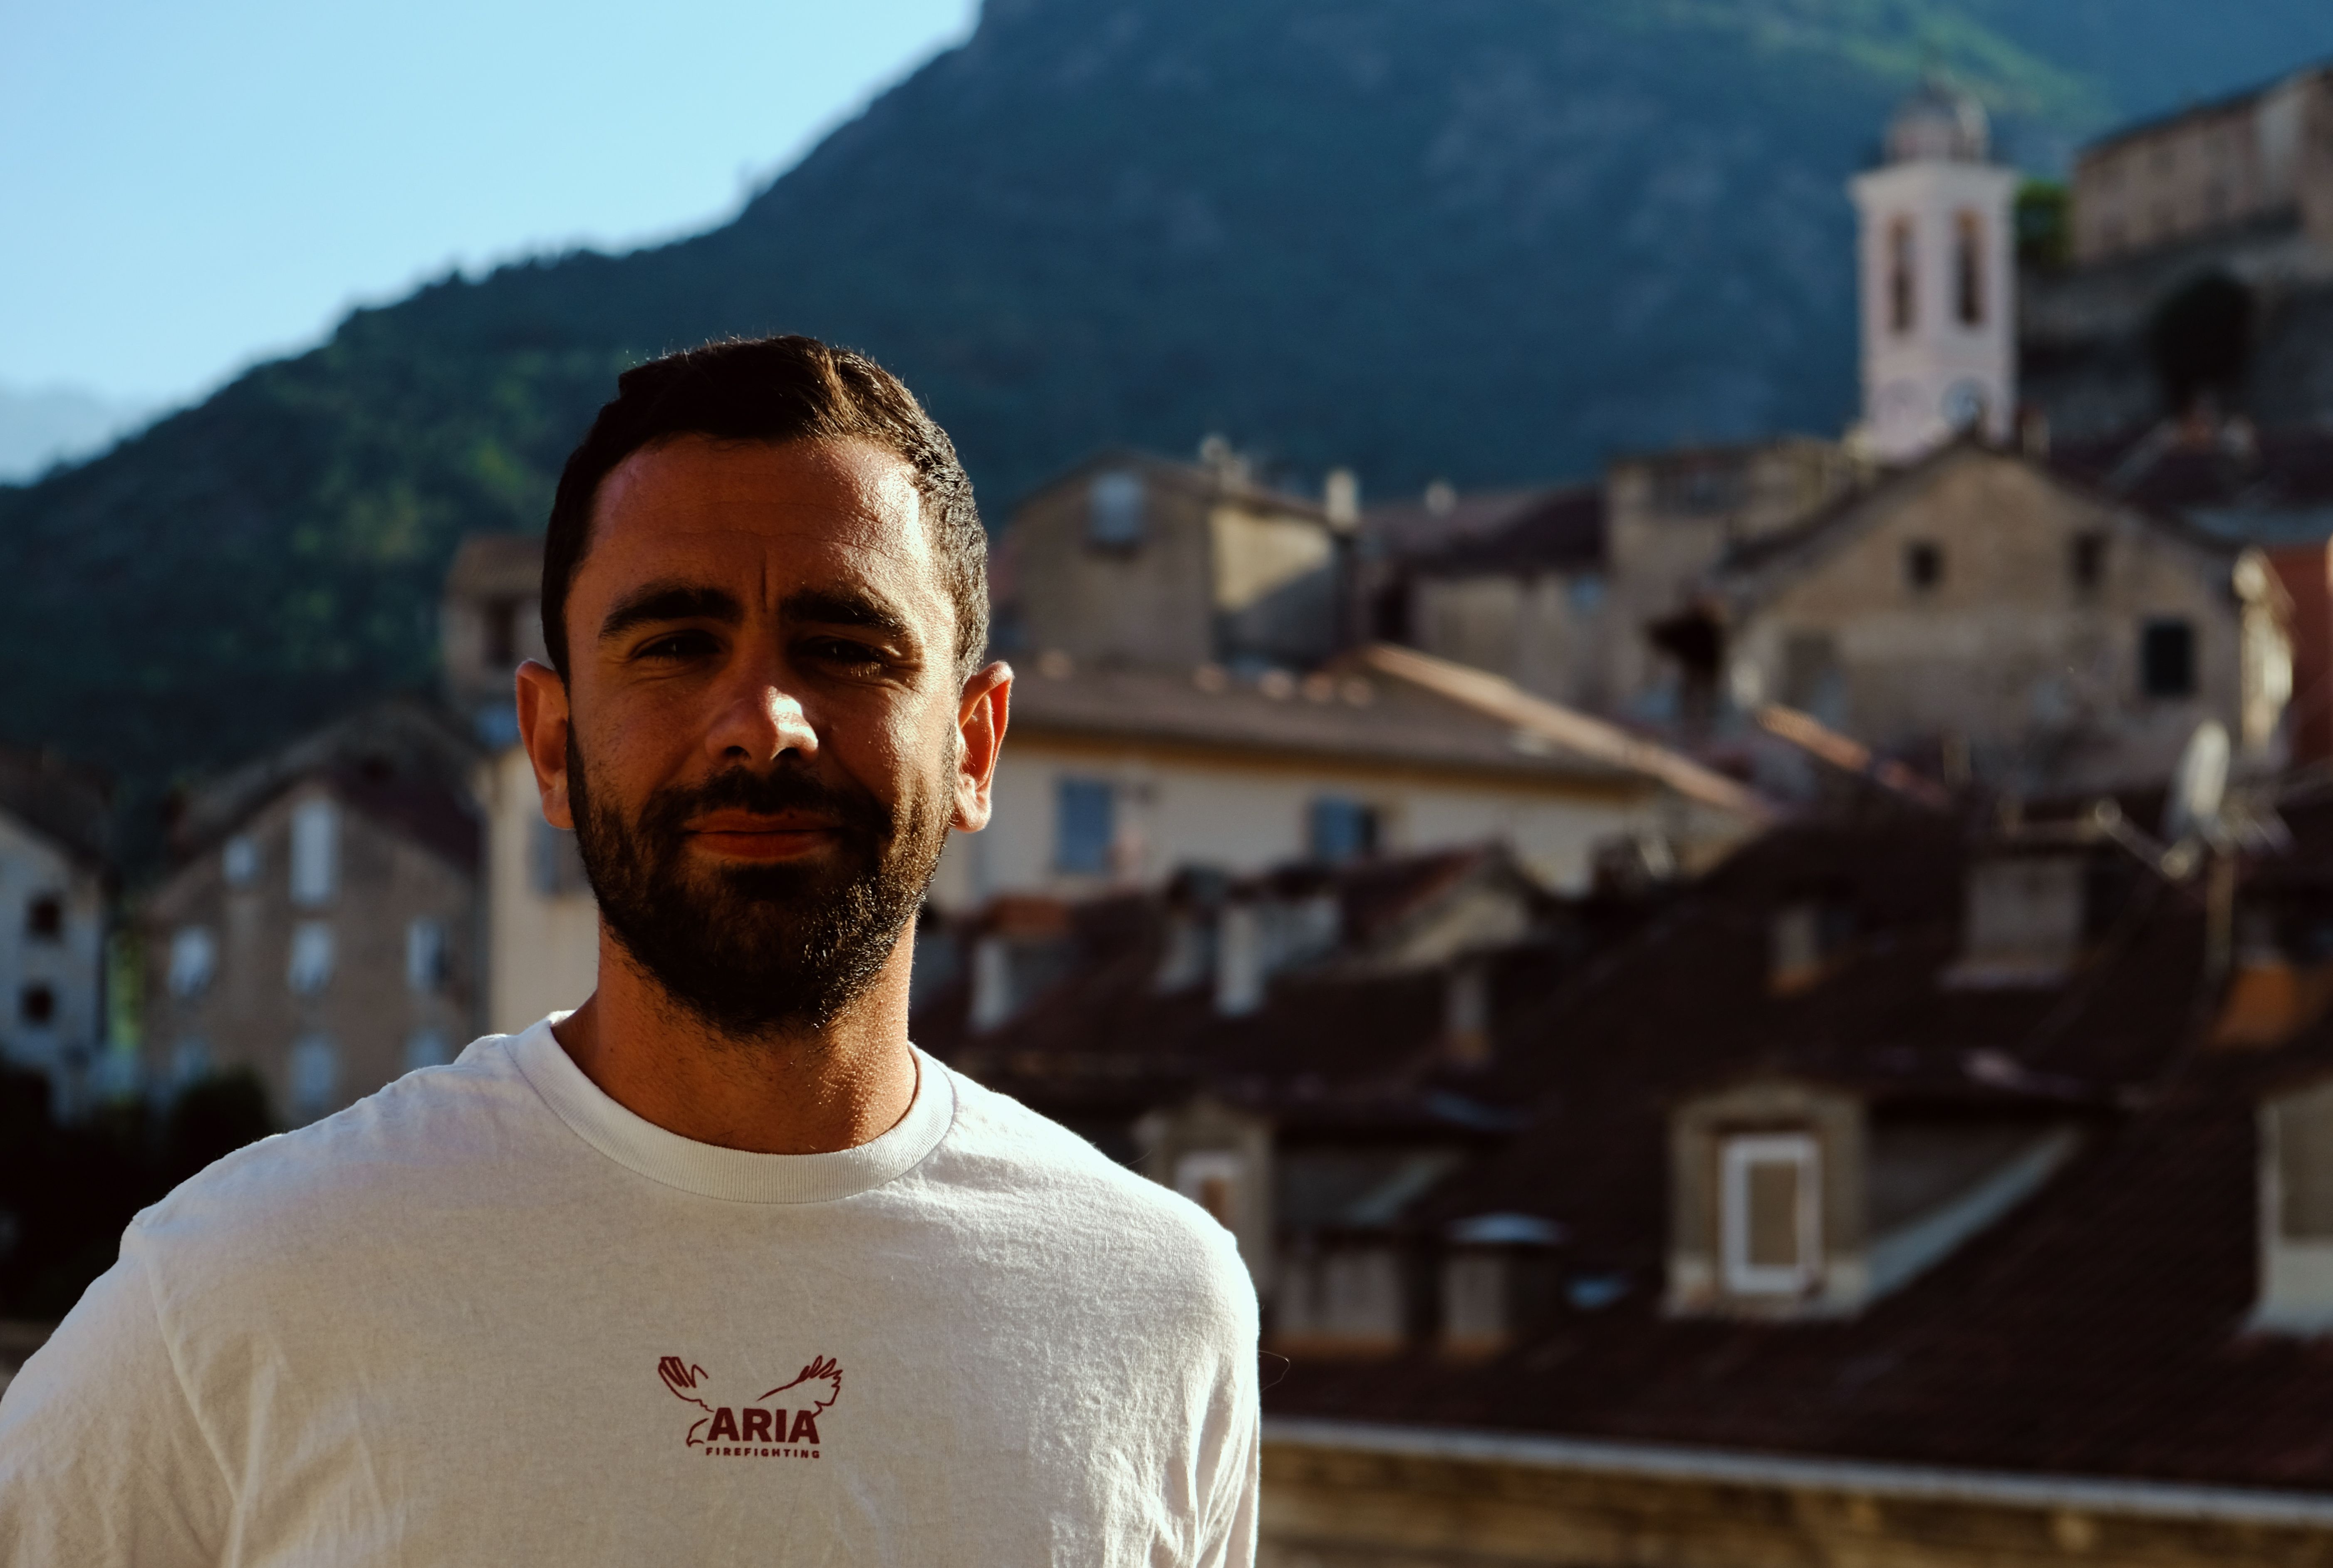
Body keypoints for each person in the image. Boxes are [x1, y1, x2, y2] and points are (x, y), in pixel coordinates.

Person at [0, 336, 1260, 1565]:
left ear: (975, 746)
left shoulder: (1162, 1304)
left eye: (846, 649)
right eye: (674, 645)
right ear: (550, 745)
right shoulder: (240, 1283)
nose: (764, 726)